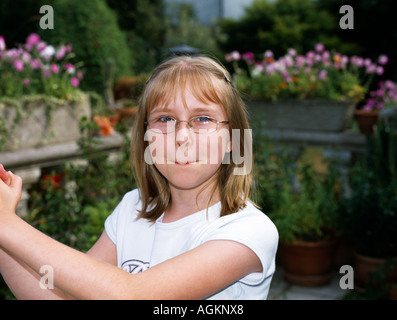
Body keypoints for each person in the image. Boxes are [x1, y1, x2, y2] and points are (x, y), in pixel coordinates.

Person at [0, 55, 278, 300]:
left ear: (232, 139)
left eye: (203, 119)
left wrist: (8, 224)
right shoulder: (133, 208)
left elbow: (134, 294)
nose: (182, 137)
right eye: (165, 119)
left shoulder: (249, 231)